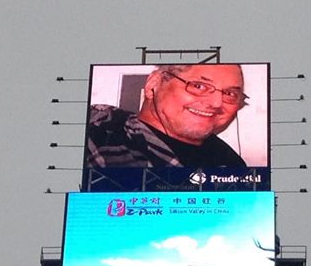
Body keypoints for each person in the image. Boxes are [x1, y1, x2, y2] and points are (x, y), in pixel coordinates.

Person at [83, 64, 265, 191]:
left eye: (230, 94)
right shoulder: (100, 138)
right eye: (199, 86)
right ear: (154, 84)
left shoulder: (230, 163)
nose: (217, 103)